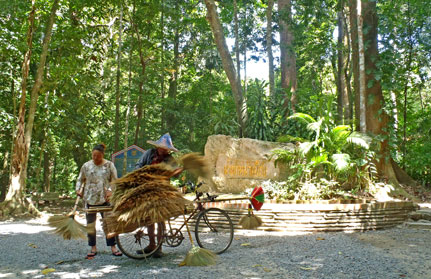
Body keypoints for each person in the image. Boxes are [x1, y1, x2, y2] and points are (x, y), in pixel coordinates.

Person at [135, 133, 182, 258]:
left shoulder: (170, 159)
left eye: (166, 149)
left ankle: (159, 247)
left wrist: (178, 170)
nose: (164, 150)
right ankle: (151, 244)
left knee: (160, 219)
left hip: (162, 191)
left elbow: (176, 174)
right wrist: (143, 174)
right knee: (150, 219)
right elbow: (138, 165)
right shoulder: (148, 154)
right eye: (162, 148)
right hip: (148, 190)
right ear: (157, 147)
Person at [76, 143, 123, 259]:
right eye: (94, 155)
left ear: (102, 155)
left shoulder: (109, 165)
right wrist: (78, 190)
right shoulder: (86, 166)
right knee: (90, 224)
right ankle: (93, 247)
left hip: (105, 198)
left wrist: (112, 191)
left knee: (109, 224)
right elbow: (80, 179)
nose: (95, 158)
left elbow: (115, 181)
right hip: (90, 198)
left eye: (98, 156)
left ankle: (113, 246)